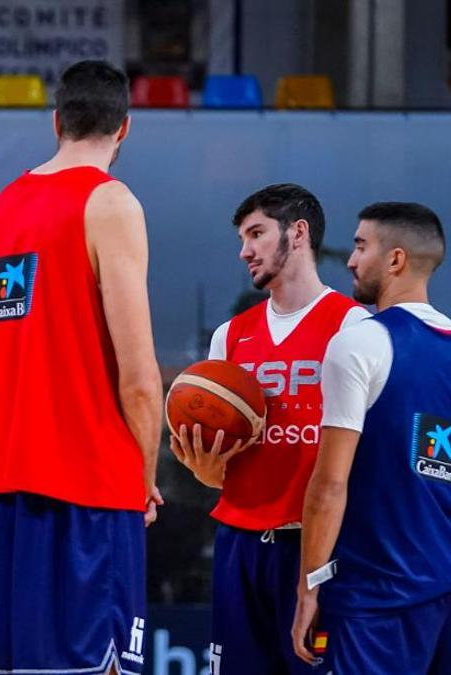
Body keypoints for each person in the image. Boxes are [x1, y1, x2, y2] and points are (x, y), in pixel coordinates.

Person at [0, 59, 163, 675]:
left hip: (5, 496)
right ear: (124, 129)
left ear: (55, 121)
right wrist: (143, 477)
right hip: (88, 489)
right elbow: (139, 375)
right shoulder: (111, 203)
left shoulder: (0, 208)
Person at [172, 184, 367, 674]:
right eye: (242, 238)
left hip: (317, 547)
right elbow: (222, 475)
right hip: (239, 543)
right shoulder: (230, 334)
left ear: (298, 233)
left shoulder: (354, 326)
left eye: (256, 233)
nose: (245, 250)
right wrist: (205, 468)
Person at [293, 202, 451, 673]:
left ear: (396, 259)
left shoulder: (359, 342)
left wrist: (309, 586)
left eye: (362, 246)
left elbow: (329, 485)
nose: (350, 259)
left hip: (377, 596)